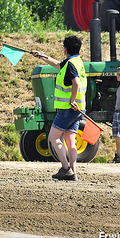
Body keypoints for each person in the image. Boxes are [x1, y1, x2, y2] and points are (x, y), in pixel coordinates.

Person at [31, 35, 86, 181]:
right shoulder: (77, 62)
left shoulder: (71, 65)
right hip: (79, 109)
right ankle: (73, 172)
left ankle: (66, 168)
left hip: (68, 108)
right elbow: (57, 64)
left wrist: (72, 100)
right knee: (70, 139)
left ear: (65, 48)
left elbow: (76, 83)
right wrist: (41, 56)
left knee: (53, 137)